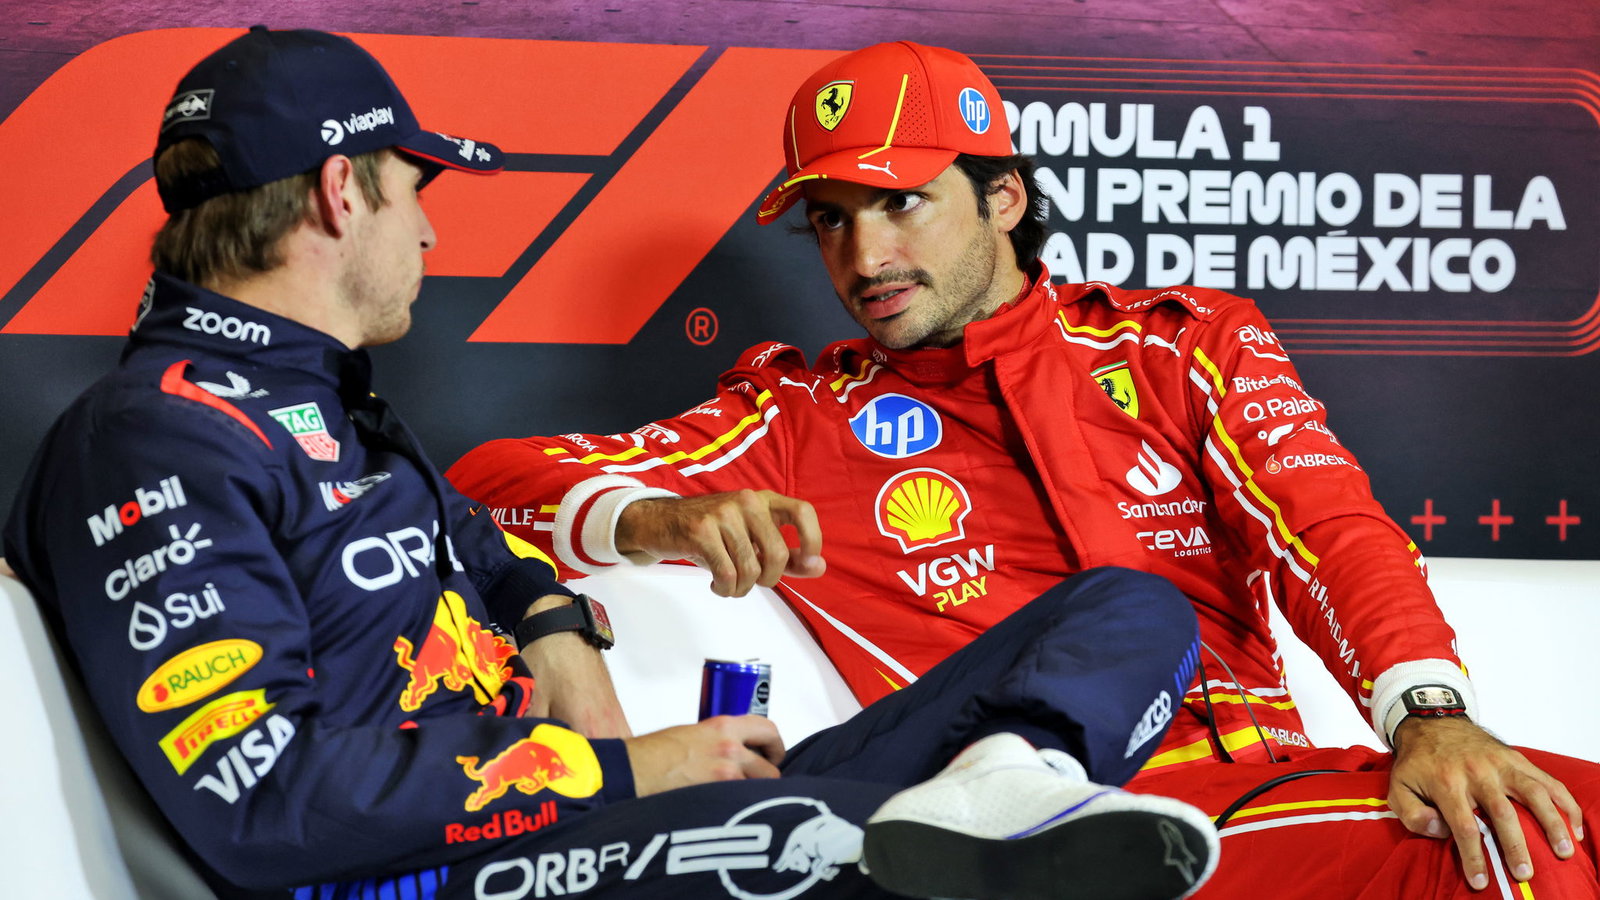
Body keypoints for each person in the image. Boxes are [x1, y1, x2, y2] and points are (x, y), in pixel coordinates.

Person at [0, 27, 1225, 900]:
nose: (429, 228)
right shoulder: (150, 437)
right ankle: (975, 825)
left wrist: (555, 628)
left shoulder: (329, 405)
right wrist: (621, 767)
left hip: (585, 830)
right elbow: (267, 804)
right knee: (855, 832)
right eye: (412, 190)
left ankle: (1016, 774)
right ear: (338, 193)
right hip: (442, 875)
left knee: (1135, 606)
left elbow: (480, 544)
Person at [446, 40, 1600, 899]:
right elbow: (492, 475)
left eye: (902, 203)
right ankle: (1027, 781)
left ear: (1004, 196)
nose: (864, 256)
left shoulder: (1177, 342)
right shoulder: (800, 408)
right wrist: (658, 518)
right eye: (833, 221)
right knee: (1521, 852)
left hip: (1268, 786)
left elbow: (1331, 528)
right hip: (1011, 830)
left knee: (1570, 809)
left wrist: (1430, 718)